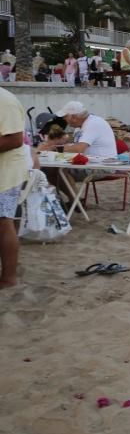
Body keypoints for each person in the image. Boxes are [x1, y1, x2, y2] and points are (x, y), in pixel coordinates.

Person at [0, 86, 27, 288]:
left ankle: (8, 278)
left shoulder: (4, 100)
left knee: (2, 222)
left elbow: (15, 139)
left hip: (5, 173)